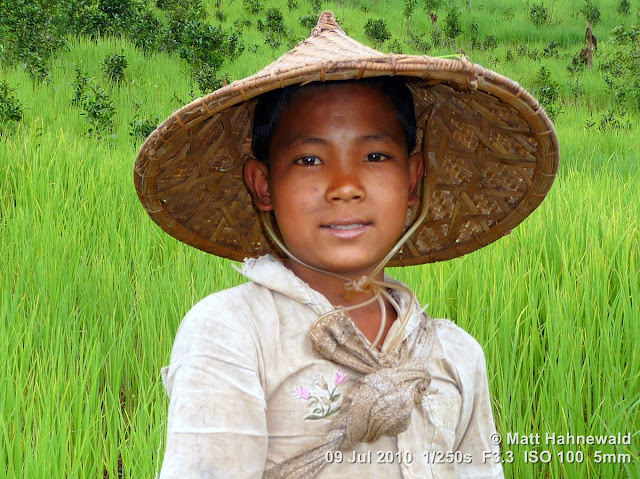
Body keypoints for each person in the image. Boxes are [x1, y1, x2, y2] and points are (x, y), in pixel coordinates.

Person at [134, 11, 559, 479]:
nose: (344, 186)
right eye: (310, 159)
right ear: (262, 185)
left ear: (413, 180)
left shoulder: (454, 355)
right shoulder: (234, 333)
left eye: (375, 156)